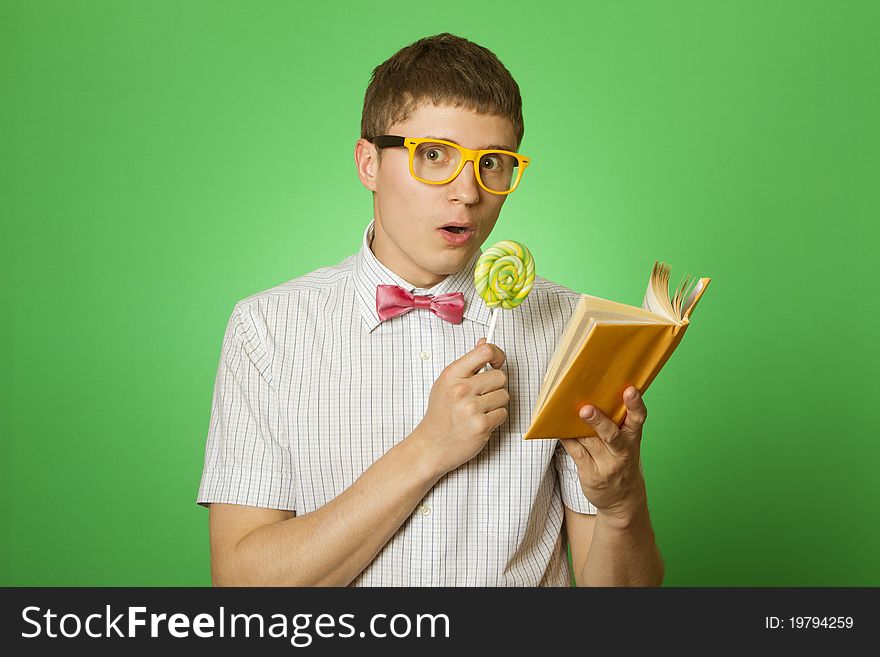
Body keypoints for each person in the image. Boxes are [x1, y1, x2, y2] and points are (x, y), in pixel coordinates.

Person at [196, 32, 664, 587]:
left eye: (493, 162)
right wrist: (428, 448)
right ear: (369, 163)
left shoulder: (568, 329)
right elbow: (242, 587)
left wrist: (620, 504)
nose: (467, 191)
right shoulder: (268, 330)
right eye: (434, 155)